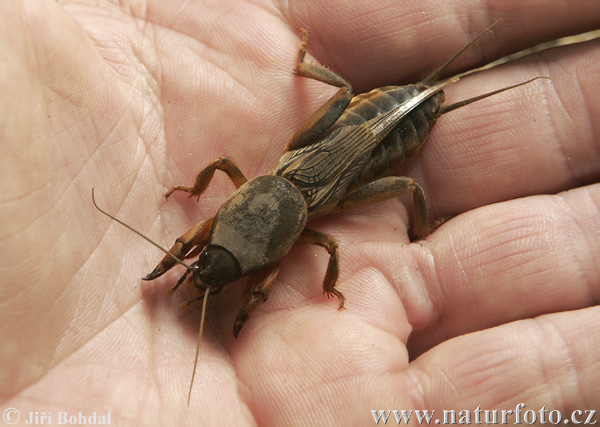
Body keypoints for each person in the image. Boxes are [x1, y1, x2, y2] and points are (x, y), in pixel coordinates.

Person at [1, 1, 598, 424]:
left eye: (209, 250)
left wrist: (252, 300)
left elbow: (317, 251)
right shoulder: (249, 201)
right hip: (319, 169)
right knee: (346, 113)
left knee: (407, 190)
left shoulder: (296, 230)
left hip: (385, 138)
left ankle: (422, 201)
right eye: (215, 256)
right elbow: (231, 177)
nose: (204, 254)